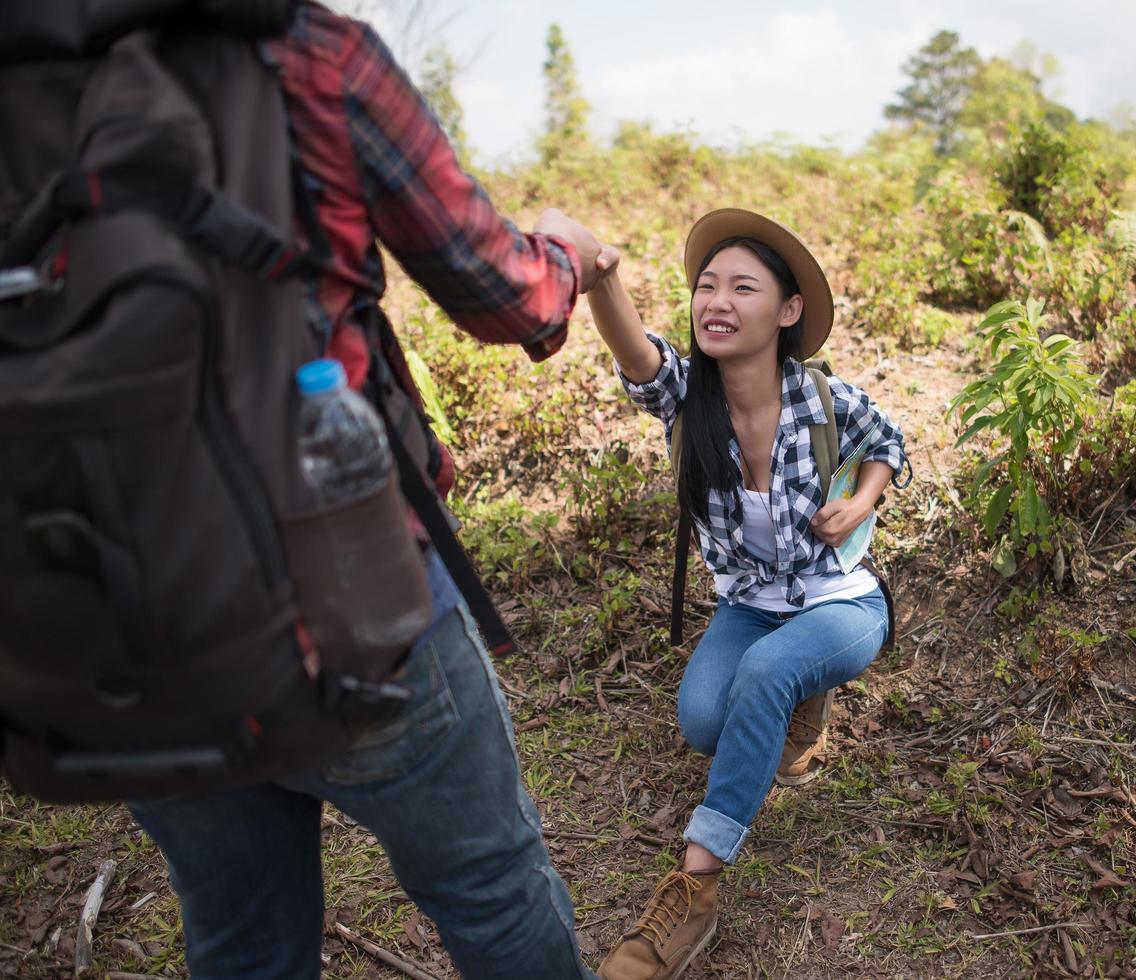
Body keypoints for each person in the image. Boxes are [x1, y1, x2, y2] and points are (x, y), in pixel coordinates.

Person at [125, 4, 610, 977]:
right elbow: (504, 291)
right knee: (493, 890)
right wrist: (565, 250)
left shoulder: (29, 85)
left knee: (236, 934)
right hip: (348, 599)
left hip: (126, 632)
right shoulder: (309, 55)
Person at [586, 208, 910, 980]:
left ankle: (693, 890)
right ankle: (798, 696)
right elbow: (636, 355)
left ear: (787, 311)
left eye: (741, 287)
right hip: (751, 605)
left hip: (840, 601)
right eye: (705, 287)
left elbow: (889, 446)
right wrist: (602, 278)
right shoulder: (688, 397)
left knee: (766, 675)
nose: (716, 303)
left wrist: (862, 501)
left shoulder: (822, 397)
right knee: (705, 723)